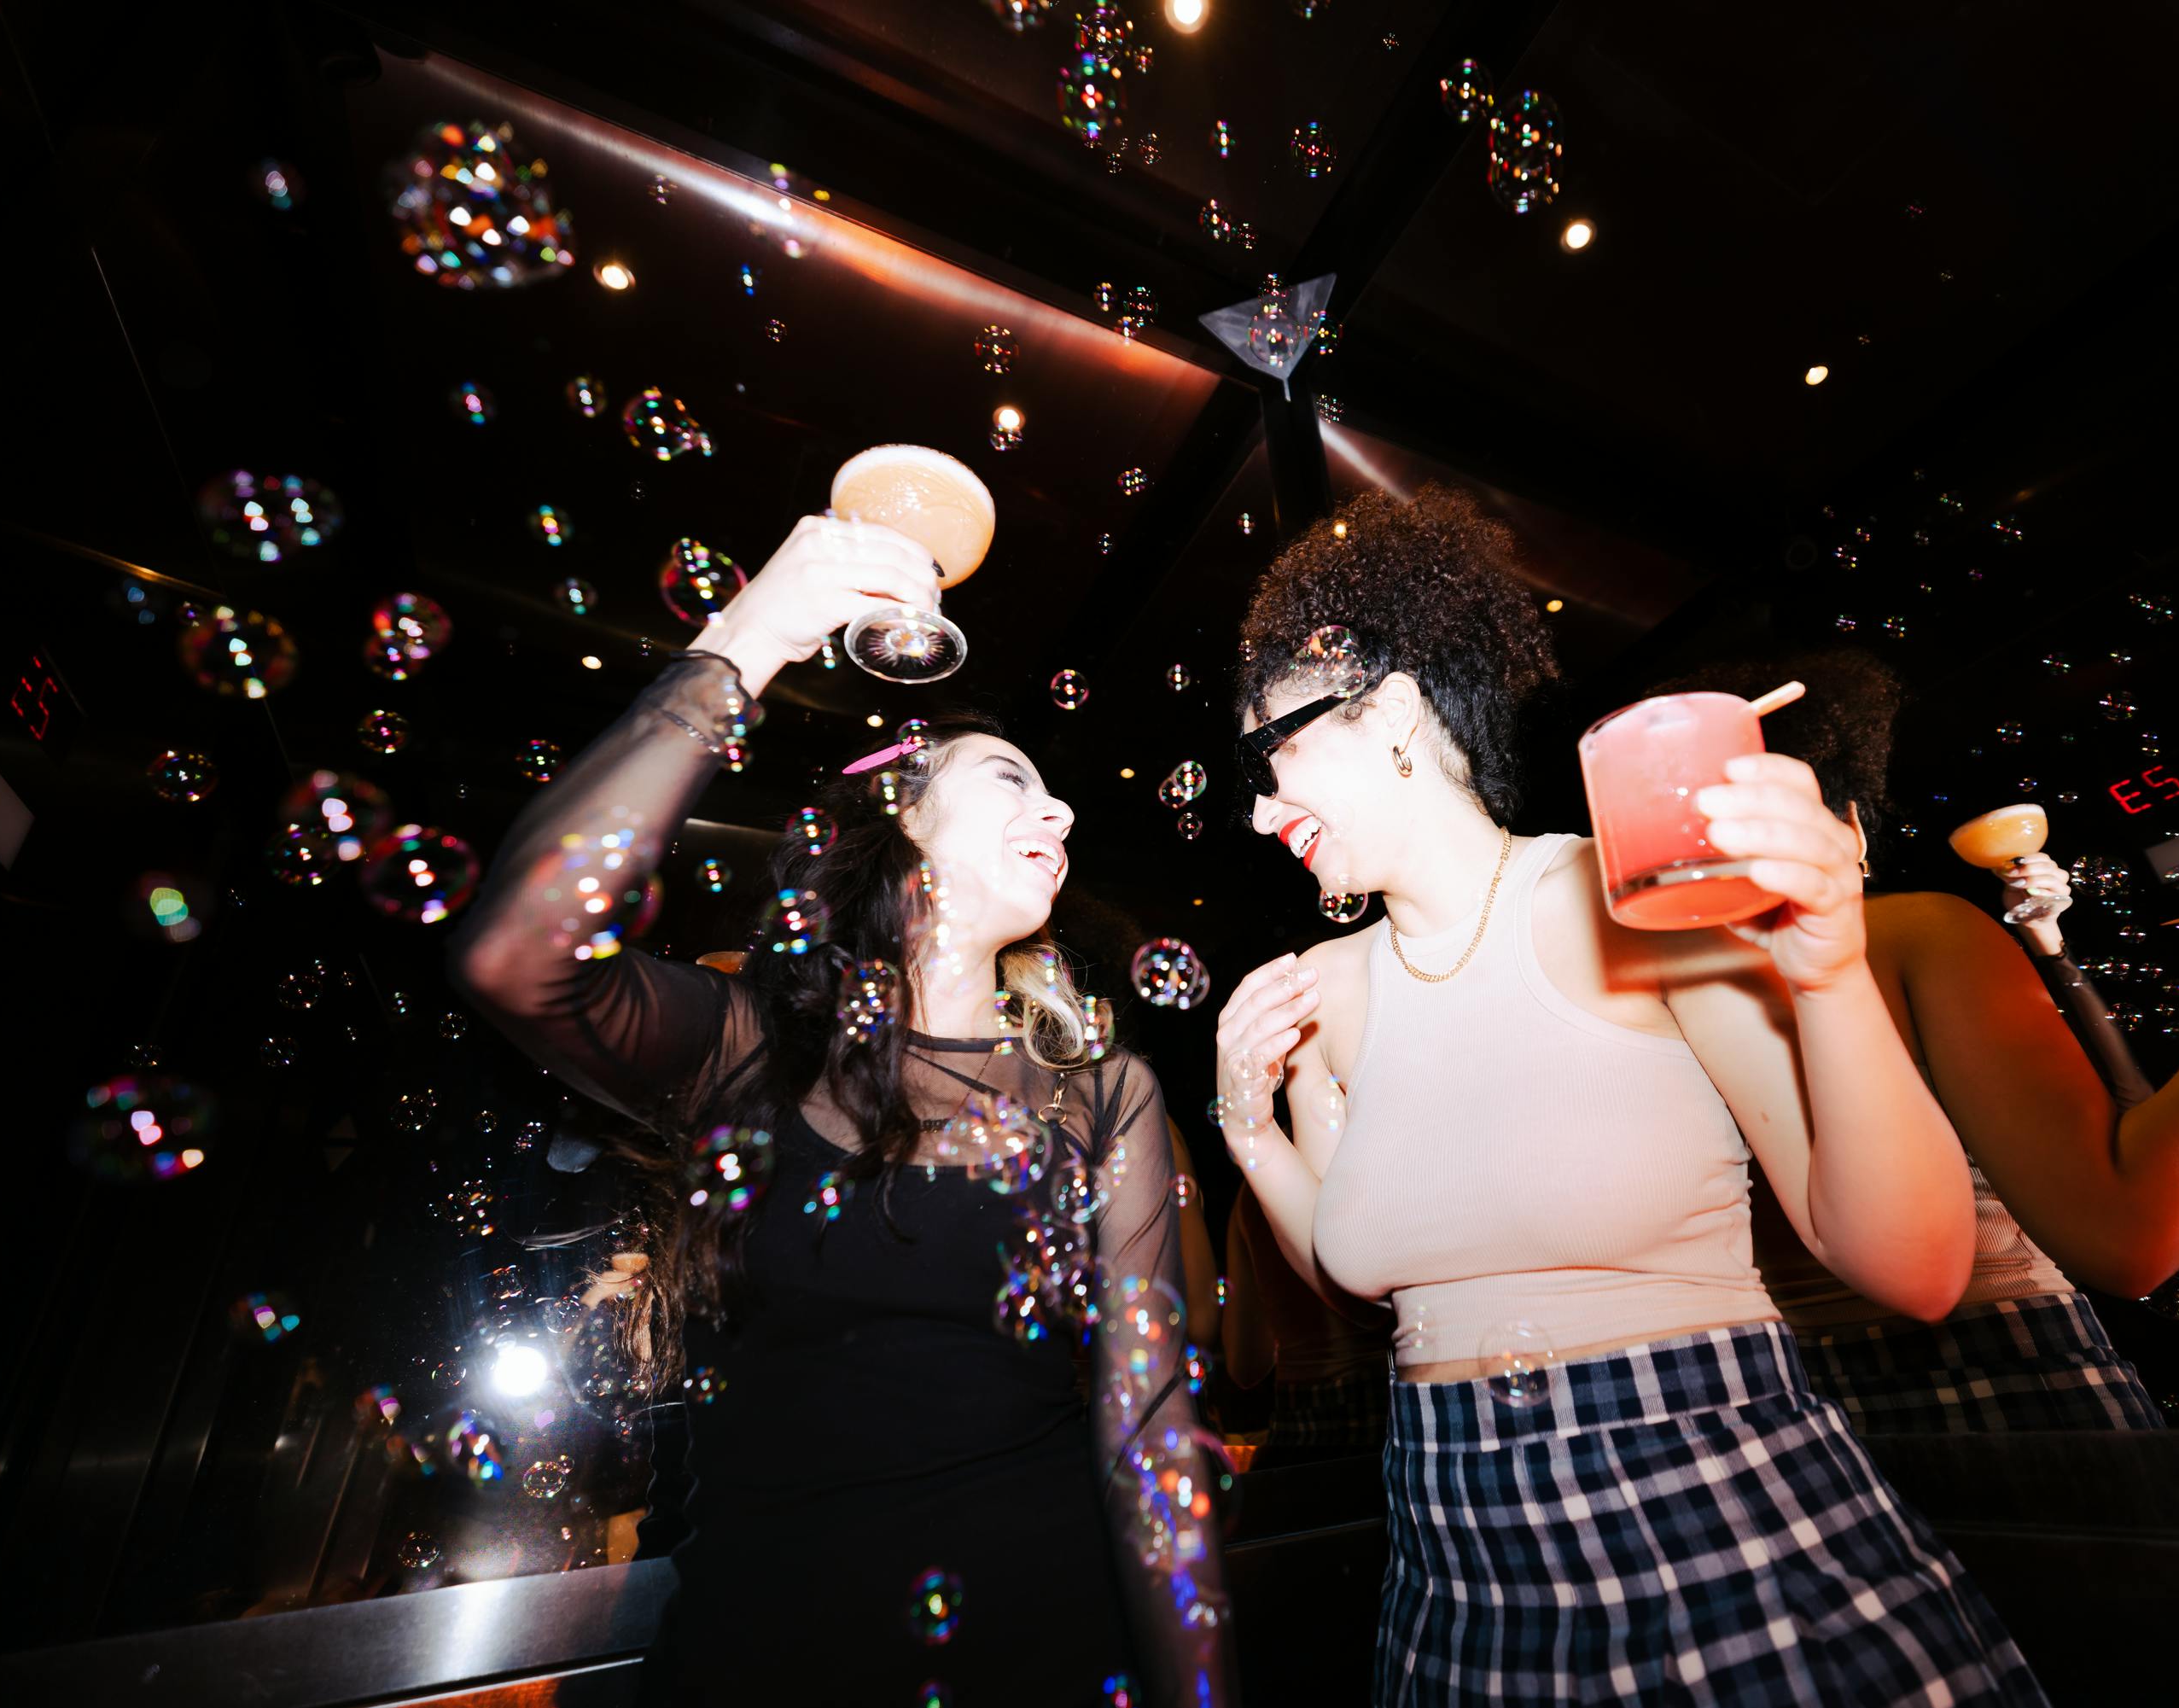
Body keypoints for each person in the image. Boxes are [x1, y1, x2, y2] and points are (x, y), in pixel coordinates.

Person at [1218, 487, 2044, 1705]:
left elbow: (1916, 1267)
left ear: (1387, 707)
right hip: (1454, 1578)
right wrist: (1248, 1129)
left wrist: (1824, 970)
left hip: (1722, 1529)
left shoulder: (1637, 899)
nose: (1253, 808)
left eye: (1267, 753)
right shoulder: (1321, 991)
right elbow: (1367, 1278)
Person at [447, 512, 1231, 1707]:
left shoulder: (1100, 1092)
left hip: (1047, 1640)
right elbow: (518, 955)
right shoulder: (748, 1049)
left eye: (1058, 797)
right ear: (901, 823)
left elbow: (1150, 1433)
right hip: (771, 1652)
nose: (1061, 816)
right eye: (1013, 780)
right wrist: (750, 636)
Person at [1693, 649, 2179, 1433]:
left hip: (1774, 1414)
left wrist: (2047, 945)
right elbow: (2129, 1236)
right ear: (1852, 822)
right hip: (2002, 1390)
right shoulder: (1914, 933)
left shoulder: (1649, 984)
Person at [1219, 1182, 1392, 1461]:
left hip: (1294, 1432)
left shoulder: (1253, 1194)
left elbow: (1245, 1365)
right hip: (1381, 1419)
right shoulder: (1368, 1170)